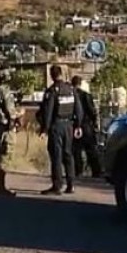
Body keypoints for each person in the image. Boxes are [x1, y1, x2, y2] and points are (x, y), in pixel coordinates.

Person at [38, 65, 84, 195]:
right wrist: (78, 126)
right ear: (61, 74)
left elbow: (48, 111)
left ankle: (57, 186)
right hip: (69, 126)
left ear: (51, 75)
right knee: (68, 155)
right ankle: (71, 184)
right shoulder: (71, 89)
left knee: (56, 156)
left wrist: (44, 129)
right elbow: (79, 109)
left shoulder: (52, 91)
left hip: (56, 127)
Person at [0, 66, 22, 196]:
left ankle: (0, 185)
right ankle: (1, 186)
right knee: (5, 155)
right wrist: (16, 117)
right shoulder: (5, 91)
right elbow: (10, 111)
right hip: (5, 128)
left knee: (0, 155)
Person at [71, 75, 103, 178]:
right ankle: (96, 171)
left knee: (76, 150)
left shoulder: (70, 95)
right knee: (91, 149)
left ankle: (78, 171)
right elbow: (92, 111)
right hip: (87, 125)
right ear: (80, 84)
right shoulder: (86, 95)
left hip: (74, 125)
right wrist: (95, 123)